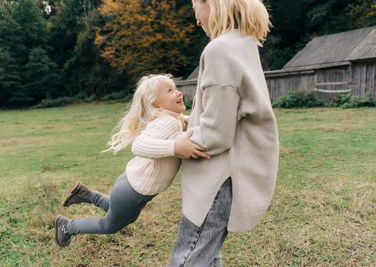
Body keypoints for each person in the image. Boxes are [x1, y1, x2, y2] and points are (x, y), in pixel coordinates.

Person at [168, 0, 279, 265]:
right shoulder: (244, 44)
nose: (197, 20)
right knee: (208, 258)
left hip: (218, 180)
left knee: (186, 260)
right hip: (229, 177)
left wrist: (171, 143)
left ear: (214, 4)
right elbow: (226, 112)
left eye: (197, 8)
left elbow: (217, 133)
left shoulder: (220, 49)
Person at [54, 74, 209, 247]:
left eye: (176, 88)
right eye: (170, 91)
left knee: (120, 211)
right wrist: (175, 148)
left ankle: (86, 194)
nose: (178, 93)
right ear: (156, 104)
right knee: (109, 225)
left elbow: (187, 123)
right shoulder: (167, 122)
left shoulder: (173, 120)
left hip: (130, 184)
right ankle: (68, 226)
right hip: (133, 191)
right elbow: (139, 145)